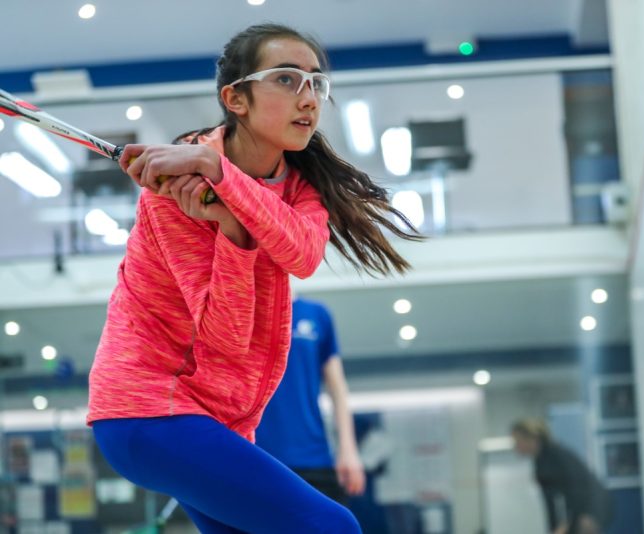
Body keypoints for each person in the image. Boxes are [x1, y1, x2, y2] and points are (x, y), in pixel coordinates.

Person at [86, 22, 421, 534]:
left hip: (219, 422)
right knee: (334, 527)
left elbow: (303, 253)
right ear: (235, 99)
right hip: (151, 411)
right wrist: (234, 234)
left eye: (316, 82)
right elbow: (225, 340)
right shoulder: (172, 194)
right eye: (286, 79)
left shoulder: (295, 186)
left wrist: (217, 173)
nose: (308, 97)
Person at [255, 295, 365, 504]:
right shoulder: (239, 312)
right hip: (256, 456)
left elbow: (338, 389)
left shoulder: (316, 314)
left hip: (314, 458)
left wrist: (348, 449)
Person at [511, 419, 614, 534]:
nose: (515, 447)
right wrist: (554, 528)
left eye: (517, 441)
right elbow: (549, 500)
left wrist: (575, 519)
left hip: (592, 504)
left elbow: (577, 486)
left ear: (532, 439)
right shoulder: (541, 461)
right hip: (583, 507)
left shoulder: (555, 454)